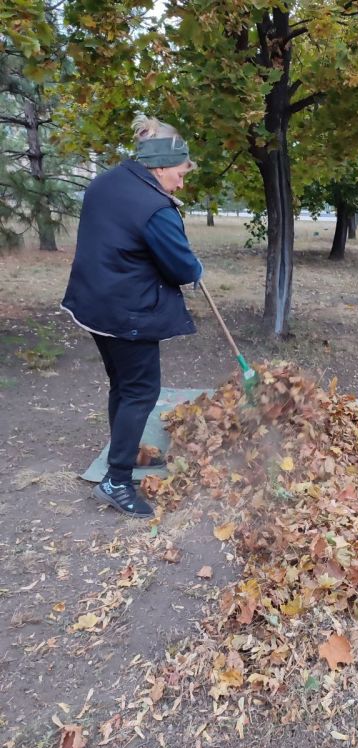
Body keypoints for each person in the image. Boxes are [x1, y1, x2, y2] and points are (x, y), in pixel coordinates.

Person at [62, 115, 203, 518]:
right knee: (140, 390)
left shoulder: (105, 182)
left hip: (93, 305)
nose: (181, 183)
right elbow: (182, 268)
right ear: (159, 167)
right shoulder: (155, 207)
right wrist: (195, 270)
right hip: (127, 313)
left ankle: (125, 453)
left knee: (123, 386)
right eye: (179, 174)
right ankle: (117, 481)